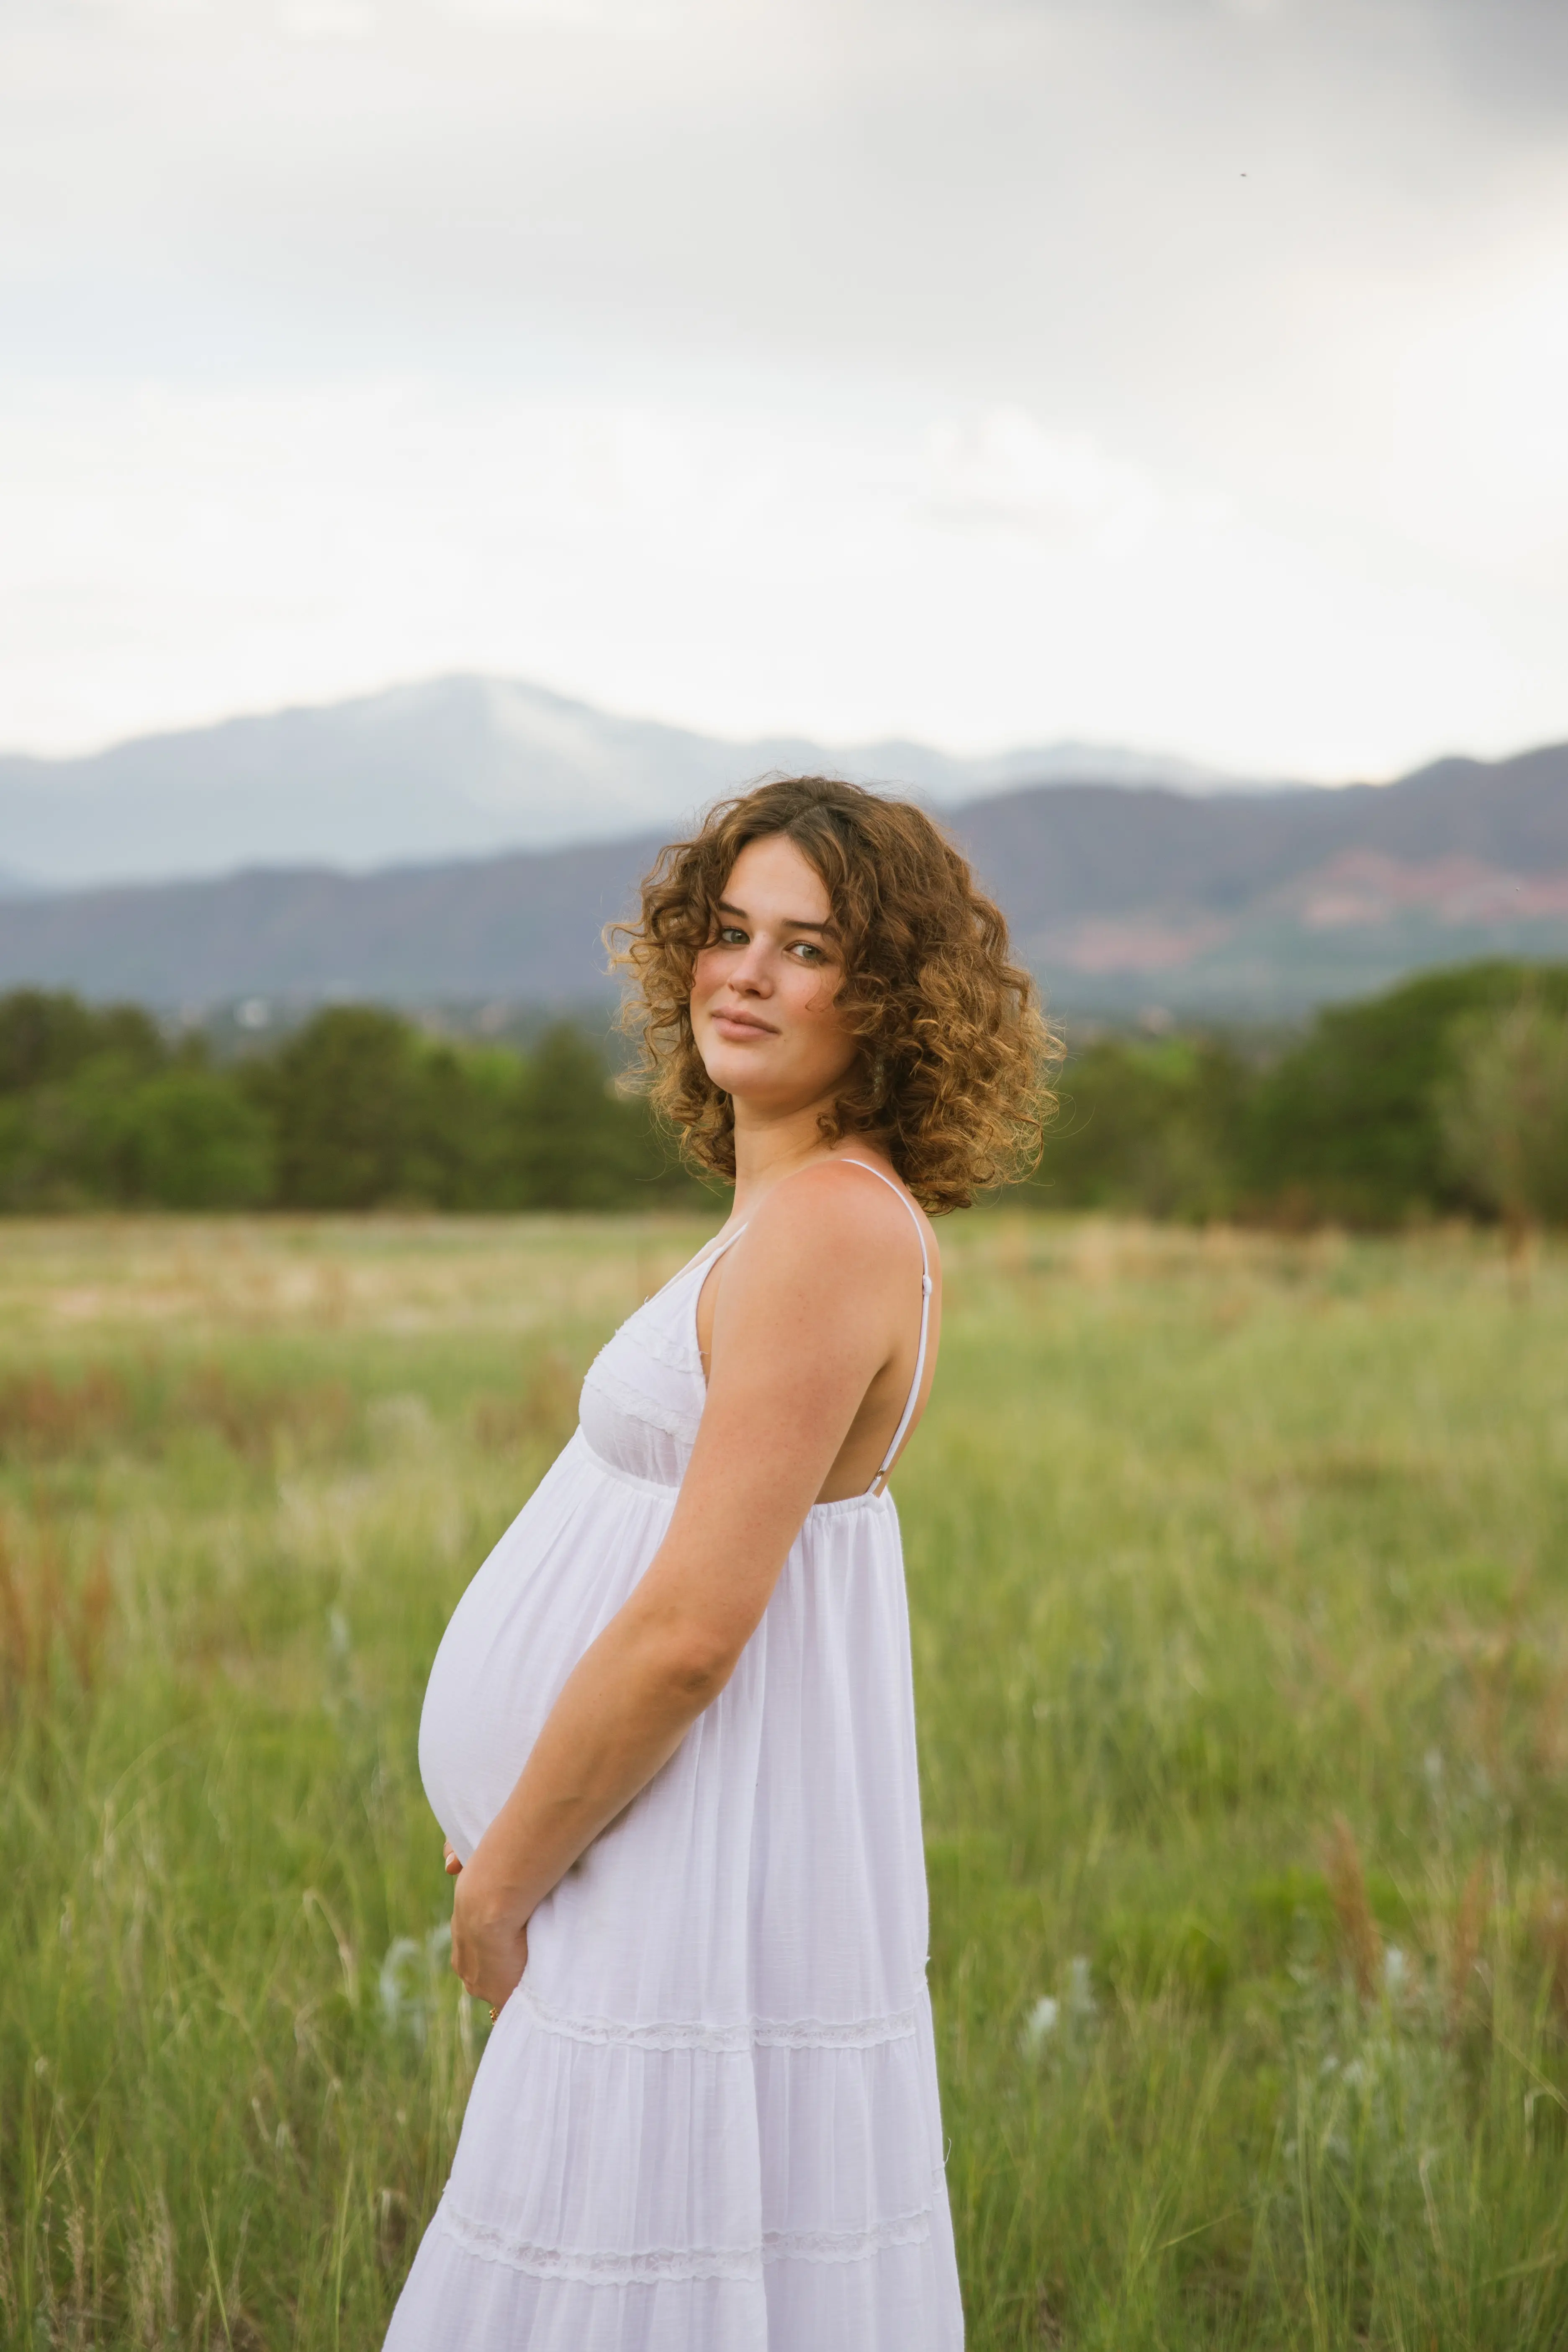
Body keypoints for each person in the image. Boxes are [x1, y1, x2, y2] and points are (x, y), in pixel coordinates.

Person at [386, 775, 1051, 2351]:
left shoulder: (831, 1229)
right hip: (654, 1850)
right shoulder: (791, 1215)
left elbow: (691, 1630)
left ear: (887, 1000)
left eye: (808, 949)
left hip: (684, 1869)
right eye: (728, 930)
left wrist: (507, 1877)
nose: (745, 974)